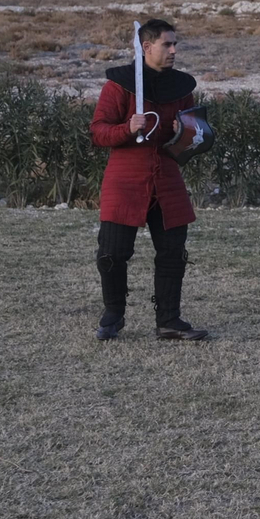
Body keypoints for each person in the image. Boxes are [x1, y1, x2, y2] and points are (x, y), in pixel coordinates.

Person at [89, 18, 209, 342]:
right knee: (112, 252)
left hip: (167, 176)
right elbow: (98, 132)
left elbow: (193, 138)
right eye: (167, 44)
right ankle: (113, 315)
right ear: (146, 47)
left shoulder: (182, 88)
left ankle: (168, 320)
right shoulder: (118, 85)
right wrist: (127, 128)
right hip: (125, 176)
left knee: (173, 252)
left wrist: (183, 133)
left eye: (175, 44)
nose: (174, 50)